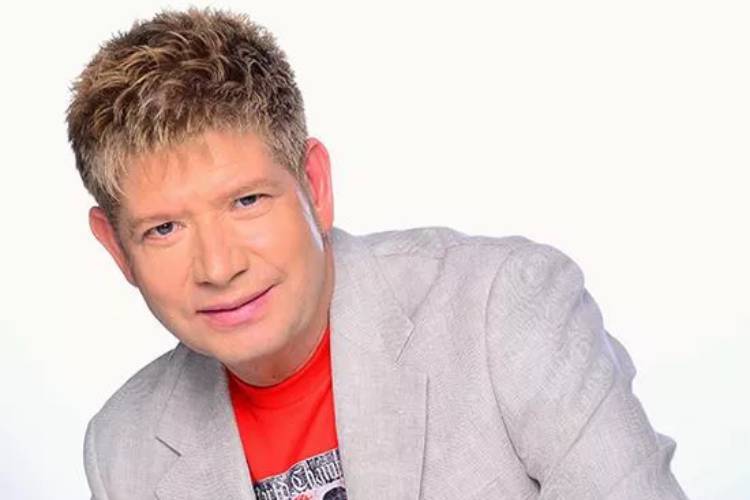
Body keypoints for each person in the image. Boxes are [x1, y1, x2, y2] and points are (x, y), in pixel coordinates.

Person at [66, 7, 687, 500]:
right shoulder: (123, 448)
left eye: (247, 201)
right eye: (164, 229)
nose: (219, 267)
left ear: (315, 186)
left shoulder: (503, 310)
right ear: (116, 247)